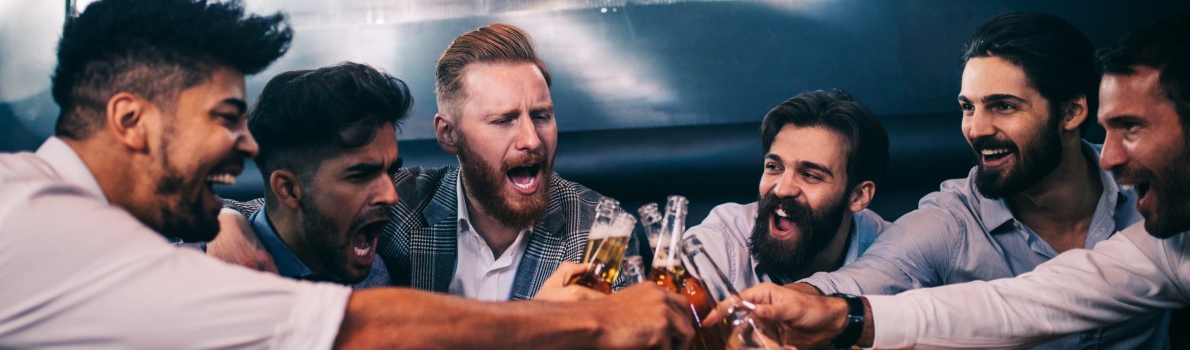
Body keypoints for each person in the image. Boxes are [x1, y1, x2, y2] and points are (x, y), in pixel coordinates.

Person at [0, 0, 696, 348]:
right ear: (131, 121)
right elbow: (350, 331)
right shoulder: (40, 232)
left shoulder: (40, 205)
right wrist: (582, 321)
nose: (246, 148)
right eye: (225, 118)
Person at [707, 12, 1190, 349]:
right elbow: (880, 277)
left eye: (1003, 105)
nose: (976, 129)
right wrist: (815, 304)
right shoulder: (949, 219)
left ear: (1071, 111)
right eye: (967, 108)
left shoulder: (1158, 208)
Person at [218, 23, 633, 301]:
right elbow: (285, 213)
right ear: (447, 134)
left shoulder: (602, 231)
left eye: (541, 116)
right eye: (503, 120)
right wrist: (224, 223)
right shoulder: (399, 206)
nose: (530, 139)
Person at [685, 90, 890, 300]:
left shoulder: (894, 253)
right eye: (774, 167)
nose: (782, 189)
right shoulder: (720, 241)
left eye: (810, 175)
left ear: (858, 196)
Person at [221, 62, 410, 288]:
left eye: (391, 171)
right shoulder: (199, 280)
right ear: (289, 189)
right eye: (360, 175)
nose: (391, 196)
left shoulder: (375, 275)